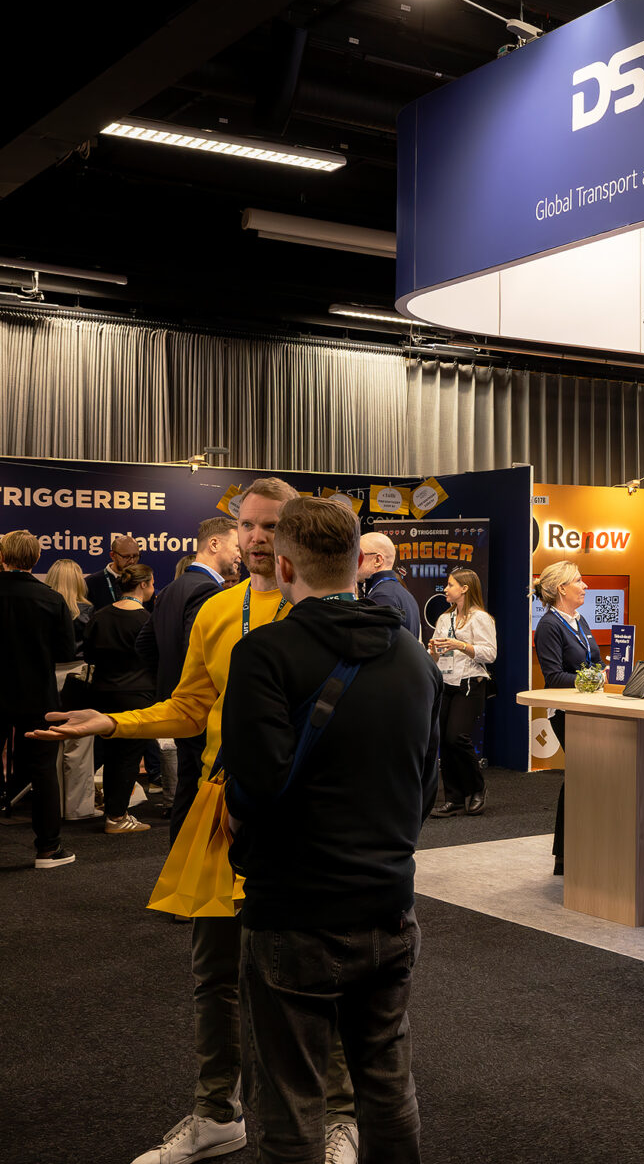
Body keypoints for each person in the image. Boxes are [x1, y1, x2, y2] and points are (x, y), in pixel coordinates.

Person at [29, 478, 363, 1164]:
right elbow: (188, 708)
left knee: (314, 973)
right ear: (233, 532)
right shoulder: (217, 612)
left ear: (299, 534)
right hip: (222, 815)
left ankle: (341, 1118)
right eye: (248, 525)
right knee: (215, 973)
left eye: (274, 526)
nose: (259, 538)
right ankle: (217, 1113)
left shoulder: (336, 615)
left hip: (307, 824)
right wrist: (115, 722)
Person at [223, 496, 437, 1164]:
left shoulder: (264, 653)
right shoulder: (410, 654)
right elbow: (426, 785)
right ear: (356, 563)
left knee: (291, 1102)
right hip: (389, 904)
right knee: (387, 1086)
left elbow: (253, 787)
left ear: (283, 565)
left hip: (293, 909)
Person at [138, 516, 242, 840]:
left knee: (187, 786)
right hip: (201, 711)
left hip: (179, 707)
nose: (242, 554)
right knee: (201, 789)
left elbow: (143, 644)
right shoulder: (207, 592)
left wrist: (168, 679)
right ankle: (191, 870)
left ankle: (180, 863)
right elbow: (198, 654)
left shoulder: (171, 589)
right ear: (214, 544)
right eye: (237, 546)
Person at [1, 530, 79, 867]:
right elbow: (65, 652)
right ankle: (48, 848)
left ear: (3, 556)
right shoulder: (51, 598)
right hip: (38, 695)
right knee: (44, 769)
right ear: (35, 560)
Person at [534, 560, 598, 877]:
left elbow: (595, 661)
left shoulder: (579, 620)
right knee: (579, 775)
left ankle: (575, 850)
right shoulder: (549, 625)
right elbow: (553, 676)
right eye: (579, 580)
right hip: (565, 713)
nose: (585, 585)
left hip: (590, 710)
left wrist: (604, 675)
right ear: (562, 588)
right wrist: (590, 681)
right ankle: (565, 854)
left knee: (583, 776)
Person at [84, 562, 159, 834]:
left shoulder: (100, 616)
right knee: (128, 757)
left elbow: (89, 655)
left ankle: (114, 809)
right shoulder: (148, 621)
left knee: (111, 754)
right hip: (136, 696)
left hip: (102, 693)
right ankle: (117, 816)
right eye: (152, 583)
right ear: (143, 584)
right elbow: (156, 659)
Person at [427, 567, 495, 817]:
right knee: (444, 740)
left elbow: (490, 653)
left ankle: (477, 788)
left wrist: (461, 645)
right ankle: (454, 798)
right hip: (446, 683)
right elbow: (433, 655)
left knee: (457, 737)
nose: (445, 589)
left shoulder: (481, 618)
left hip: (471, 683)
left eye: (450, 585)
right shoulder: (445, 619)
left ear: (464, 588)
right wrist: (433, 650)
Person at [45, 558, 101, 824]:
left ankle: (53, 804)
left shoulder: (45, 607)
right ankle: (78, 808)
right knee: (79, 743)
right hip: (78, 674)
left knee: (54, 739)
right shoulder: (89, 611)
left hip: (48, 675)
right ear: (78, 579)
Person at [356, 532, 419, 637]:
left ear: (377, 560)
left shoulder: (383, 596)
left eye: (359, 555)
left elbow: (374, 646)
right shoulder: (400, 592)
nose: (354, 561)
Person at [87, 533, 145, 611]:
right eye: (126, 557)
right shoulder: (91, 583)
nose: (132, 561)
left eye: (135, 556)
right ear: (112, 555)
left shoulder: (144, 582)